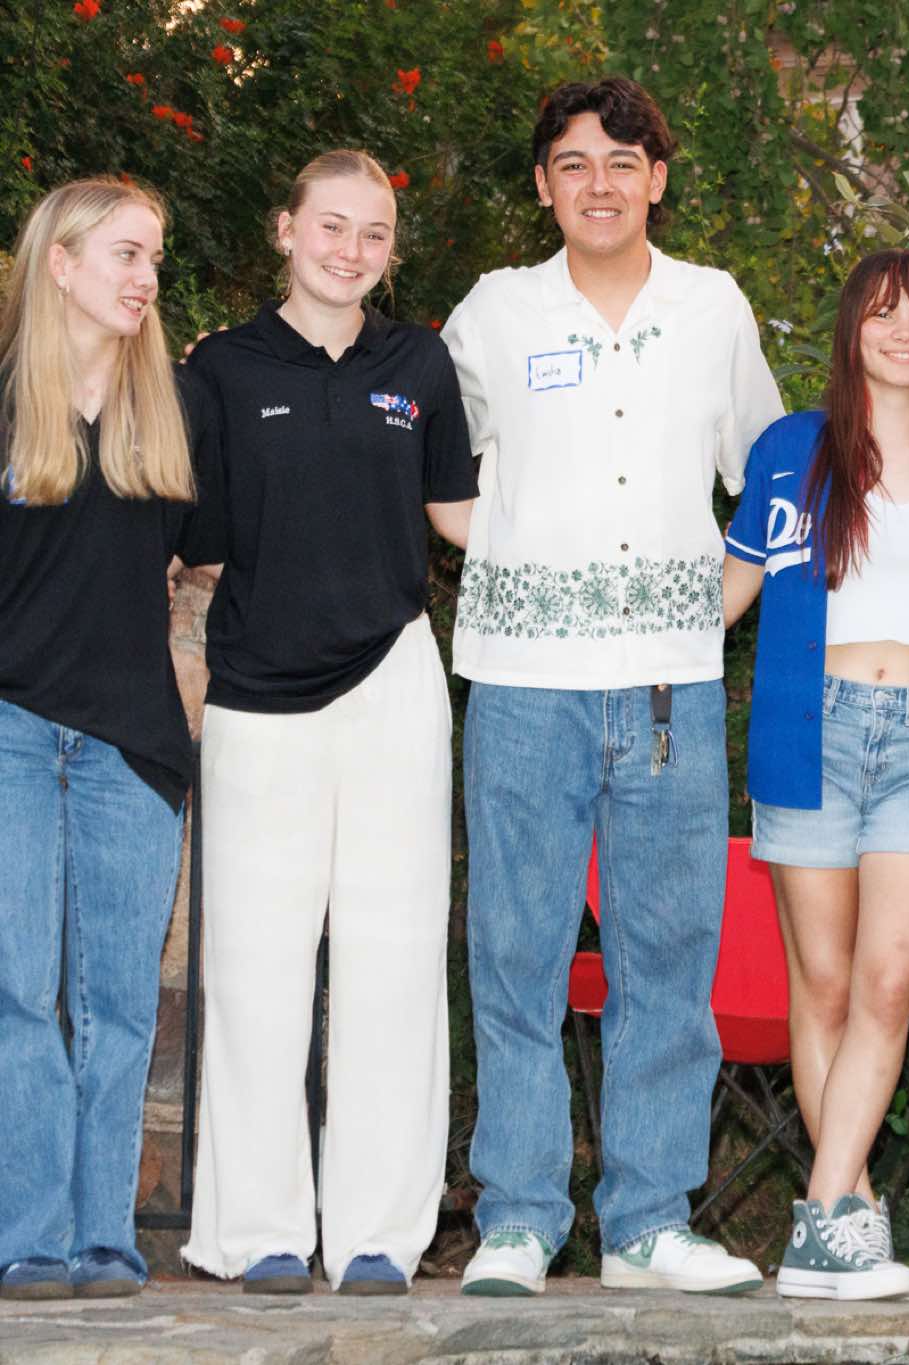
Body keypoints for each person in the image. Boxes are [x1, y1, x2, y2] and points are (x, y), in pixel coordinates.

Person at [443, 76, 784, 1297]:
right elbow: (427, 469)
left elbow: (771, 475)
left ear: (658, 179)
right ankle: (519, 1220)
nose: (600, 184)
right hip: (521, 684)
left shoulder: (711, 306)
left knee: (667, 962)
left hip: (667, 691)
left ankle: (647, 1224)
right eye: (575, 163)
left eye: (623, 162)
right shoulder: (493, 310)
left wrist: (718, 606)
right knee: (515, 958)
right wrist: (512, 554)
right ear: (543, 185)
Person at [174, 150, 476, 1296]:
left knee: (394, 964)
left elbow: (462, 515)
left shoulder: (419, 364)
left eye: (374, 233)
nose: (351, 251)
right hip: (257, 697)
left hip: (394, 678)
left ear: (391, 251)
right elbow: (192, 543)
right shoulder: (220, 369)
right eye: (332, 226)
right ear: (286, 229)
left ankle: (375, 1237)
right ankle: (256, 1231)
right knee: (255, 968)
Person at [722, 248, 909, 1300]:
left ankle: (821, 1219)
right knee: (828, 984)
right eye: (882, 313)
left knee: (890, 981)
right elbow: (732, 588)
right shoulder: (793, 450)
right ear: (853, 329)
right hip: (814, 728)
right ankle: (849, 1219)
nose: (902, 332)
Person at [0, 178, 200, 1301]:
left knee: (120, 1006)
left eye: (154, 258)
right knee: (16, 991)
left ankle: (104, 1238)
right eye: (127, 254)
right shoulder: (4, 407)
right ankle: (29, 1237)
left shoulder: (169, 413)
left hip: (130, 748)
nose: (146, 277)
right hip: (11, 737)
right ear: (61, 263)